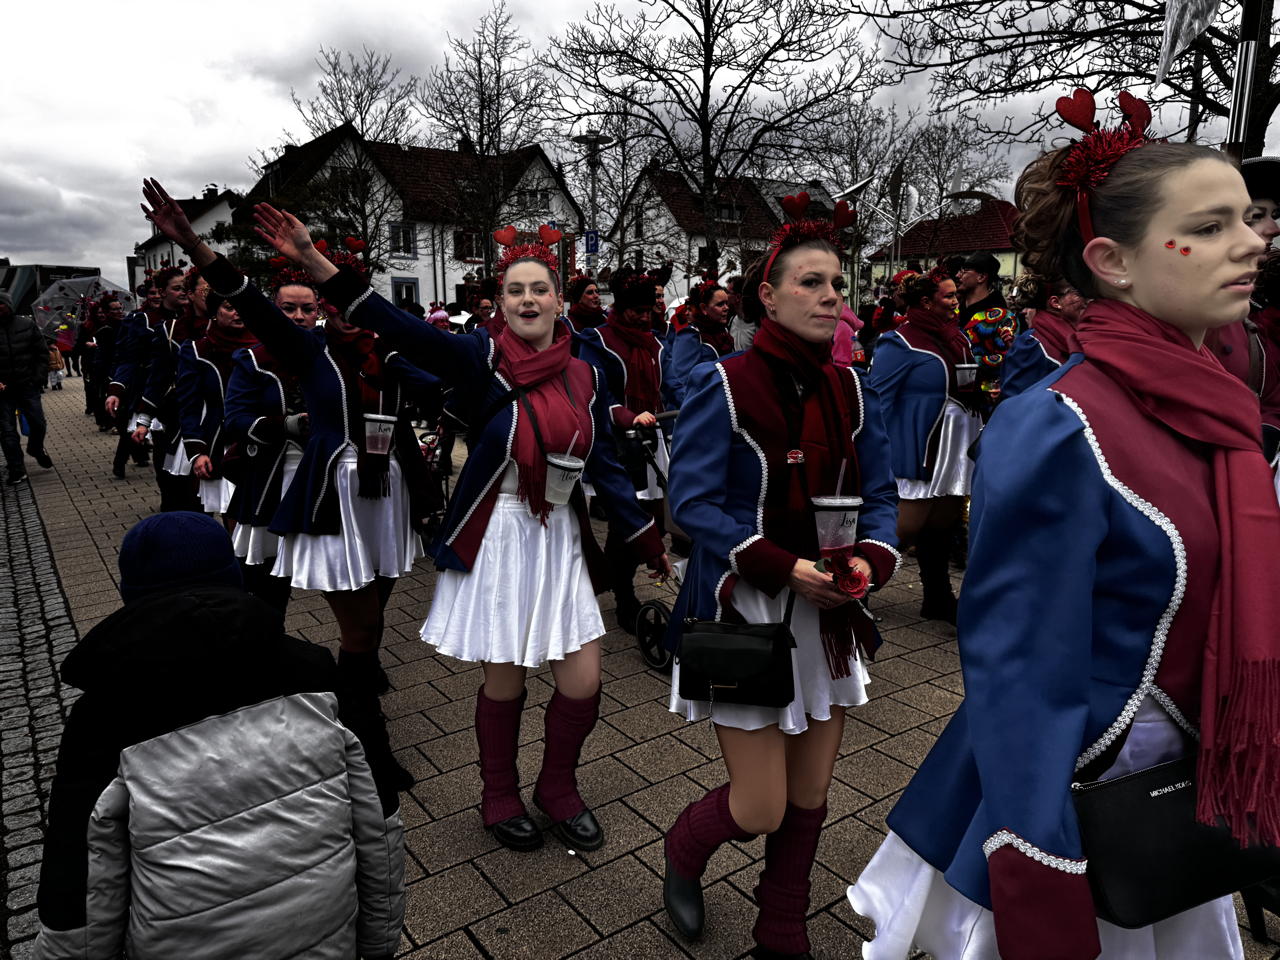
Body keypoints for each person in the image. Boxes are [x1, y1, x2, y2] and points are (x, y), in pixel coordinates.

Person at [848, 92, 1275, 960]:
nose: (1254, 241)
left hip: (1186, 797)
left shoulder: (1223, 407)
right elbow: (1019, 675)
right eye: (1213, 223)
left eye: (1251, 219)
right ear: (1111, 261)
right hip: (1087, 805)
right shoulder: (1061, 422)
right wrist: (1043, 875)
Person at [255, 206, 672, 854]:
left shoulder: (586, 373)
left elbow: (604, 465)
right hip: (500, 535)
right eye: (516, 289)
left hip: (557, 534)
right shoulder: (481, 358)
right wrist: (317, 263)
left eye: (541, 288)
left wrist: (647, 540)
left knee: (583, 681)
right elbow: (398, 327)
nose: (529, 298)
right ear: (499, 302)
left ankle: (557, 787)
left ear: (559, 299)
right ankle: (498, 792)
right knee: (505, 679)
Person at [661, 211, 900, 960]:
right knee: (760, 805)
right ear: (768, 295)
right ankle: (681, 852)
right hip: (747, 609)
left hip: (826, 613)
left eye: (837, 283)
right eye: (811, 282)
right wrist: (779, 563)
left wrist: (869, 561)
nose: (831, 295)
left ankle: (781, 926)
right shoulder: (723, 384)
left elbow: (884, 497)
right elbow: (691, 504)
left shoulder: (853, 391)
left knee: (810, 794)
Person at [141, 178, 430, 794]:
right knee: (339, 622)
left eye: (322, 301)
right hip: (321, 496)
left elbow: (450, 379)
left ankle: (352, 690)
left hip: (386, 490)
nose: (314, 311)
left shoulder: (384, 348)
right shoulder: (302, 352)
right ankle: (363, 746)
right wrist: (194, 244)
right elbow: (246, 304)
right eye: (303, 304)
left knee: (375, 615)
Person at [33, 512, 405, 960]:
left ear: (130, 595)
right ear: (233, 579)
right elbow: (378, 815)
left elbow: (78, 884)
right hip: (327, 938)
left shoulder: (105, 715)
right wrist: (379, 944)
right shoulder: (315, 671)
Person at [868, 270, 979, 623]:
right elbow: (878, 401)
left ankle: (937, 598)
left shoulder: (956, 337)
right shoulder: (898, 343)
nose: (955, 301)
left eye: (955, 295)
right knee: (905, 527)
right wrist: (875, 454)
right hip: (917, 445)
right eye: (947, 296)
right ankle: (853, 592)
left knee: (943, 522)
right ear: (926, 302)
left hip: (954, 443)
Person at [576, 268, 671, 633]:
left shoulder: (657, 343)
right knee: (625, 521)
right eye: (637, 311)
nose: (645, 317)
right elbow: (596, 392)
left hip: (652, 437)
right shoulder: (596, 340)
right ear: (621, 307)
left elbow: (673, 385)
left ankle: (626, 575)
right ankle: (624, 593)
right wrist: (627, 415)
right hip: (615, 443)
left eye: (649, 310)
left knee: (655, 518)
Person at [221, 280, 322, 613]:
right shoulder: (253, 359)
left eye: (307, 309)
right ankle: (267, 649)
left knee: (340, 575)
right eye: (288, 309)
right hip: (272, 478)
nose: (298, 316)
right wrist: (283, 425)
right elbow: (234, 419)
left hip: (327, 478)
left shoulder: (332, 353)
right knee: (267, 585)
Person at [177, 291, 257, 520]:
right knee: (231, 510)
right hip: (220, 441)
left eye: (242, 307)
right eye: (230, 307)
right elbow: (188, 406)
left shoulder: (266, 345)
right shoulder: (196, 350)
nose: (237, 313)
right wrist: (196, 452)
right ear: (215, 312)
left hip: (262, 438)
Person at [1002, 276, 1087, 398]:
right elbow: (1017, 400)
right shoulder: (1030, 344)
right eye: (1077, 293)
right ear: (1055, 302)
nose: (1086, 300)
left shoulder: (1080, 337)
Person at [0, 291, 54, 483]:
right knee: (6, 431)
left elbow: (41, 353)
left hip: (27, 385)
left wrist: (38, 378)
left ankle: (35, 448)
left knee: (38, 423)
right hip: (3, 390)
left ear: (9, 305)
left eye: (1, 304)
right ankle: (16, 468)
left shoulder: (26, 325)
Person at [955, 251, 1015, 397]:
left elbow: (1008, 357)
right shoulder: (953, 312)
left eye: (965, 271)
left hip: (984, 402)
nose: (958, 275)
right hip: (949, 397)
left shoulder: (1002, 317)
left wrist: (962, 362)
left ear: (981, 277)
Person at [666, 279, 734, 405]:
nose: (726, 308)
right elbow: (682, 381)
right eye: (720, 304)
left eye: (726, 303)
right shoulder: (690, 335)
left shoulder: (723, 331)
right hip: (703, 406)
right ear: (703, 308)